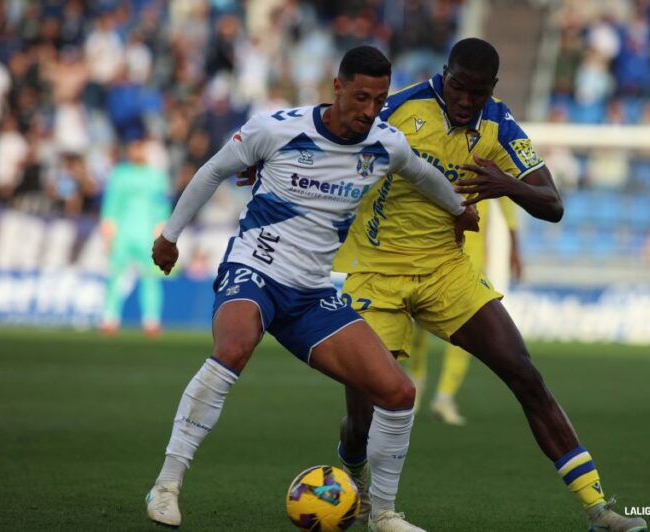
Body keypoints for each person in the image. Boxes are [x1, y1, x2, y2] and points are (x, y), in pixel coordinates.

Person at [144, 46, 480, 532]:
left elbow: (424, 175)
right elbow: (214, 170)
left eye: (380, 100)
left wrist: (458, 209)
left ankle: (382, 514)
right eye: (361, 97)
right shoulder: (275, 128)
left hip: (312, 293)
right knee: (234, 347)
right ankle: (167, 484)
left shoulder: (386, 144)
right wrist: (170, 235)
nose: (370, 110)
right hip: (255, 270)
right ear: (337, 87)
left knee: (398, 391)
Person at [332, 38, 648, 532]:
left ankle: (598, 508)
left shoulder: (499, 124)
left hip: (445, 270)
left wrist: (509, 185)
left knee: (524, 373)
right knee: (363, 417)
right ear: (445, 75)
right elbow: (330, 134)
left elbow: (553, 203)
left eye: (476, 93)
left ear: (491, 89)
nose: (464, 101)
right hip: (376, 272)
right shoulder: (396, 109)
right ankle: (350, 481)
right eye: (458, 88)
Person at [407, 197, 522, 426]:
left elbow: (508, 206)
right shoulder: (439, 163)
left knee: (470, 329)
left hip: (470, 262)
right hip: (434, 253)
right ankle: (415, 384)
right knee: (416, 321)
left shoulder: (486, 166)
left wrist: (514, 248)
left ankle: (444, 397)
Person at [100, 126, 170, 335]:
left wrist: (161, 234)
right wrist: (108, 231)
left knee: (150, 278)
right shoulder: (119, 174)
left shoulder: (156, 176)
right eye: (133, 148)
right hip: (122, 233)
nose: (136, 151)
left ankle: (151, 320)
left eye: (140, 147)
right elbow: (111, 206)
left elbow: (161, 208)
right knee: (115, 276)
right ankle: (109, 318)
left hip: (147, 233)